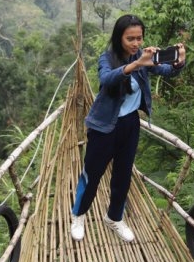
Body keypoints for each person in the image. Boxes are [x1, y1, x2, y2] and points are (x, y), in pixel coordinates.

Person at [71, 14, 186, 242]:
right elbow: (106, 79)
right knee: (91, 174)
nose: (135, 43)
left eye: (139, 38)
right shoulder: (108, 58)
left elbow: (167, 71)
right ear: (119, 38)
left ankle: (114, 218)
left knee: (123, 175)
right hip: (104, 126)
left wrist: (179, 61)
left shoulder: (143, 58)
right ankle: (79, 215)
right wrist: (136, 64)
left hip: (130, 125)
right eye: (130, 39)